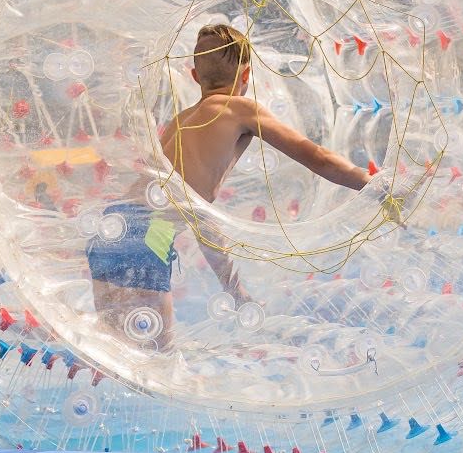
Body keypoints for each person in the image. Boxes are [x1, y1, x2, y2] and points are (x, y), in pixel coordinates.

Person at [86, 22, 373, 344]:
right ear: (247, 75)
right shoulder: (239, 109)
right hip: (150, 232)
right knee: (160, 357)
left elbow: (198, 215)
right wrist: (372, 184)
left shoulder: (180, 122)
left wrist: (235, 290)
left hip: (112, 226)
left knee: (114, 346)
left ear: (195, 77)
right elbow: (317, 157)